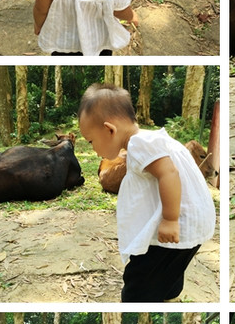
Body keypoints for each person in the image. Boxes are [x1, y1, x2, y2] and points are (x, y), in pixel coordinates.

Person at [78, 83, 216, 302]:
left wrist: (170, 219)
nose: (93, 149)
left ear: (110, 129)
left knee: (139, 280)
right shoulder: (150, 139)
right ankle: (168, 295)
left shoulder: (139, 144)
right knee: (167, 270)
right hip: (191, 224)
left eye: (91, 141)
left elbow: (169, 174)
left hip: (177, 225)